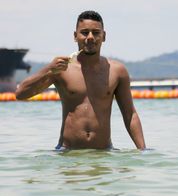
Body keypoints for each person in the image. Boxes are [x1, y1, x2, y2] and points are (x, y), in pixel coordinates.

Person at [16, 10, 146, 150]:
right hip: (68, 153)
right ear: (75, 36)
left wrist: (143, 151)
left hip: (103, 154)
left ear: (104, 36)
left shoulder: (117, 71)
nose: (90, 37)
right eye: (84, 32)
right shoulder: (61, 70)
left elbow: (130, 114)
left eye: (96, 32)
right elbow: (20, 94)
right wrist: (48, 70)